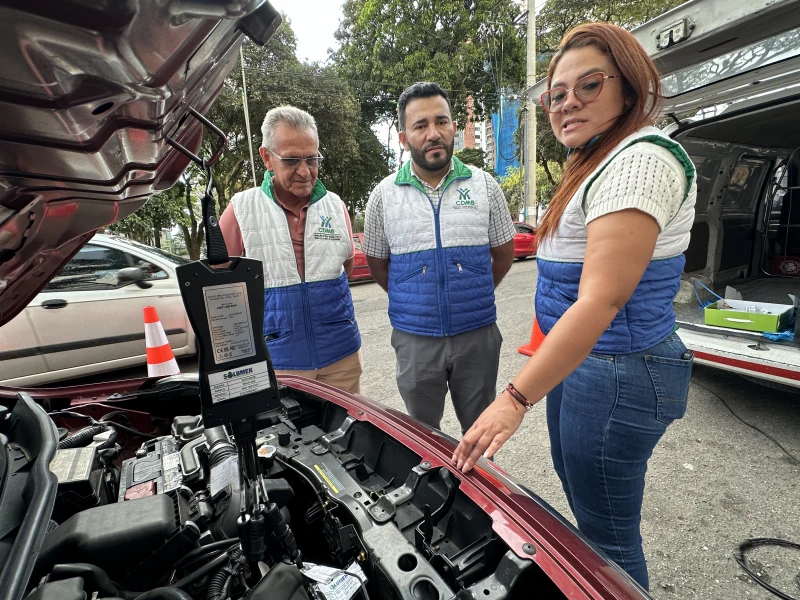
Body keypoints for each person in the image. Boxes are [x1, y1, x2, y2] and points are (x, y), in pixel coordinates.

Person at [451, 23, 697, 590]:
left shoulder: (641, 159)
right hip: (588, 367)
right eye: (556, 94)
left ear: (629, 87)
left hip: (620, 366)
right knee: (588, 518)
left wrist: (513, 398)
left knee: (607, 537)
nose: (568, 104)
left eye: (588, 86)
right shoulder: (594, 161)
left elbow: (601, 300)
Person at [363, 82, 516, 434]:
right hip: (415, 339)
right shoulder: (383, 197)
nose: (433, 134)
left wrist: (472, 290)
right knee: (422, 437)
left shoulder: (484, 186)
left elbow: (503, 254)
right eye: (420, 126)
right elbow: (378, 265)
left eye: (442, 122)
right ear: (404, 138)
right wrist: (416, 299)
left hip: (477, 335)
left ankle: (474, 487)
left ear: (453, 127)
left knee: (480, 436)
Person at [219, 106, 363, 393]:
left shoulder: (335, 206)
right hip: (277, 361)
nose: (304, 171)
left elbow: (344, 267)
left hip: (341, 357)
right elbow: (222, 289)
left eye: (312, 159)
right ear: (267, 158)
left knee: (347, 434)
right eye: (292, 160)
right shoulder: (241, 210)